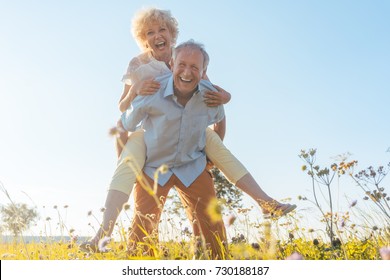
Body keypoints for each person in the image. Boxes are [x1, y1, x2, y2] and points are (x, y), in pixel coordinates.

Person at [80, 7, 296, 253]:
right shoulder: (140, 67)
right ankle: (102, 235)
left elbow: (214, 95)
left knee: (216, 151)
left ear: (172, 35)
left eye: (162, 29)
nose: (157, 35)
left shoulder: (188, 60)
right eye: (150, 32)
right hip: (152, 141)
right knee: (138, 214)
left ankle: (264, 201)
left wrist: (225, 100)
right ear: (143, 39)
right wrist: (135, 90)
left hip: (190, 151)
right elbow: (122, 113)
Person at [123, 40, 227, 259]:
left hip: (192, 166)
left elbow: (220, 118)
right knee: (142, 231)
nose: (187, 72)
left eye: (195, 67)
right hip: (154, 167)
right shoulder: (153, 89)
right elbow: (128, 123)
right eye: (182, 65)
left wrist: (211, 159)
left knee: (212, 229)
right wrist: (132, 93)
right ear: (172, 63)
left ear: (203, 71)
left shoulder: (210, 96)